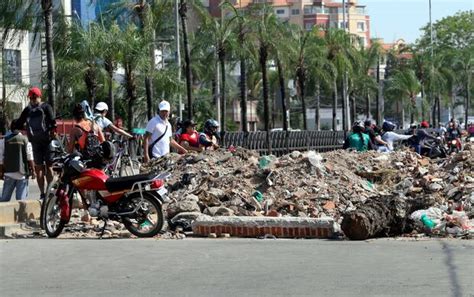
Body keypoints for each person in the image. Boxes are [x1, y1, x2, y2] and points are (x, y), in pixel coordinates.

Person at [15, 87, 56, 200]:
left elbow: (18, 124)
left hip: (35, 142)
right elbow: (53, 122)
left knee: (39, 168)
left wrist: (26, 128)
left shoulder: (27, 109)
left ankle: (42, 194)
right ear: (40, 96)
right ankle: (50, 191)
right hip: (47, 141)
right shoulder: (46, 106)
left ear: (30, 97)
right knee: (49, 166)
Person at [0, 120, 36, 202]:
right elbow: (30, 158)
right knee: (21, 201)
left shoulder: (4, 140)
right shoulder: (25, 140)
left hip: (9, 173)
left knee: (4, 200)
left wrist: (1, 172)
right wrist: (33, 171)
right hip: (22, 174)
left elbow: (1, 159)